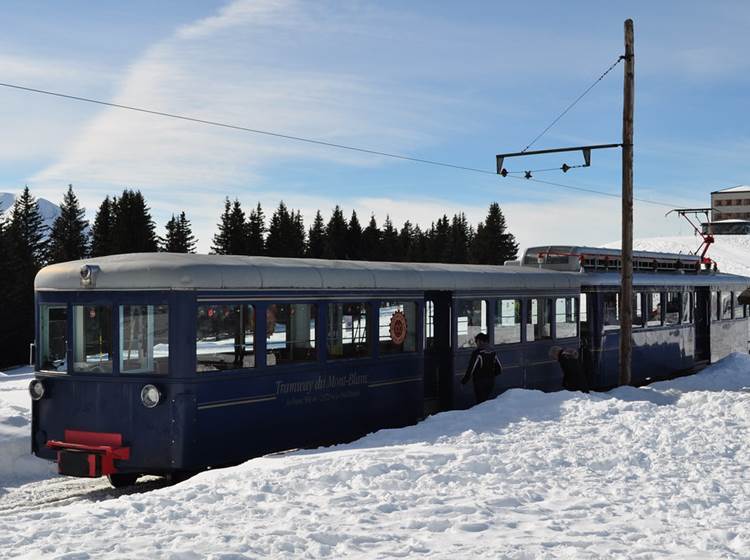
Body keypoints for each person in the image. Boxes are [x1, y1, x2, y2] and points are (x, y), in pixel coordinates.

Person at [461, 333, 503, 403]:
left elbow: (471, 369)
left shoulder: (477, 353)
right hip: (490, 381)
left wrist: (463, 382)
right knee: (486, 401)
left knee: (480, 402)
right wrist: (491, 375)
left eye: (476, 341)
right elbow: (499, 369)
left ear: (480, 341)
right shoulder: (492, 352)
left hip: (479, 381)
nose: (476, 344)